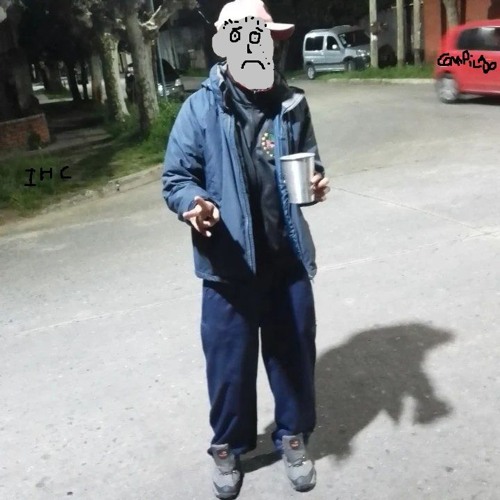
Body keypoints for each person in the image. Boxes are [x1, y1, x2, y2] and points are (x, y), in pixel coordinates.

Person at [161, 0, 330, 498]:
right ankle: (228, 448)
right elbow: (177, 177)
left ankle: (293, 435)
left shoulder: (291, 104)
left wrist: (316, 182)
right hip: (227, 267)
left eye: (269, 40)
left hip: (285, 259)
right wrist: (193, 205)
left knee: (293, 355)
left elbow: (309, 161)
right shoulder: (200, 109)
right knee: (228, 368)